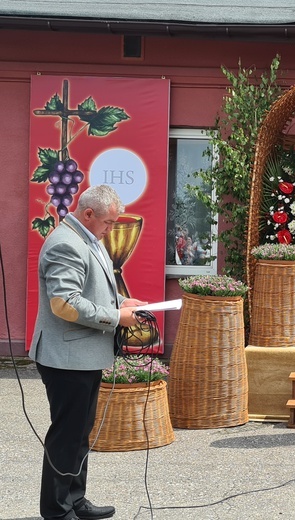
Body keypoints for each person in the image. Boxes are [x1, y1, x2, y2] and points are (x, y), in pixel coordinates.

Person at [29, 184, 146, 520]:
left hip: (82, 356)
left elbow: (92, 290)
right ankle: (57, 509)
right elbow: (64, 304)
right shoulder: (65, 243)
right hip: (66, 359)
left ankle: (75, 500)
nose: (112, 229)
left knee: (80, 433)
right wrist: (116, 317)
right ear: (88, 213)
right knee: (67, 435)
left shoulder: (86, 237)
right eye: (108, 222)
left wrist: (123, 303)